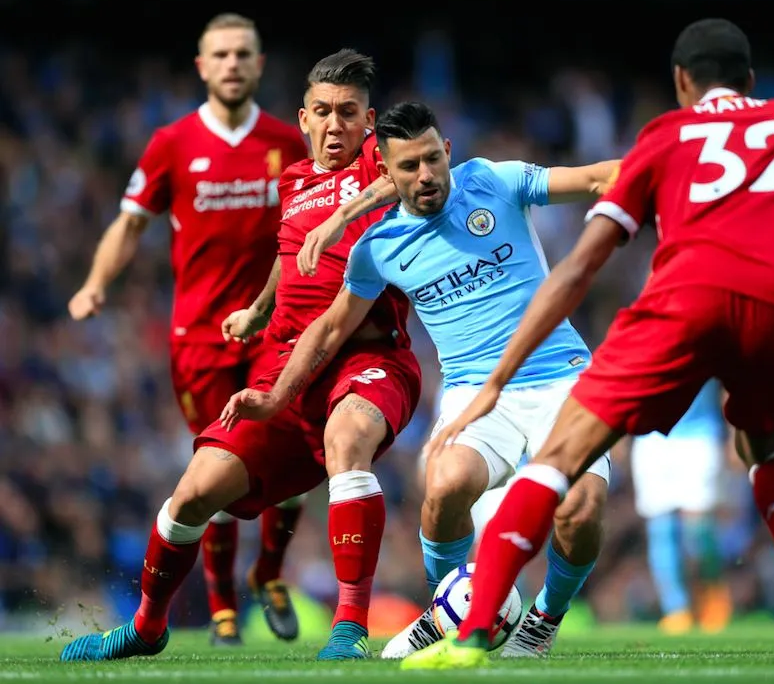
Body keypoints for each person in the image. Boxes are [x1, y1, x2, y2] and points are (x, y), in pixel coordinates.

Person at [405, 18, 774, 670]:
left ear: (680, 83)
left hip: (686, 298)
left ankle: (468, 639)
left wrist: (497, 378)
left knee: (558, 458)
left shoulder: (666, 135)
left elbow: (579, 267)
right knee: (765, 449)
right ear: (750, 81)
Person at [223, 100, 620, 659]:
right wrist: (275, 397)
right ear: (386, 172)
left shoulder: (494, 181)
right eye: (409, 166)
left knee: (579, 509)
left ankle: (544, 620)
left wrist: (666, 177)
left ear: (448, 152)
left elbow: (601, 176)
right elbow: (330, 328)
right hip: (474, 394)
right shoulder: (379, 247)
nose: (426, 175)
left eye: (433, 159)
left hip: (562, 378)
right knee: (445, 485)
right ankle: (447, 606)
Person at [60, 48, 420, 663]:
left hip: (367, 358)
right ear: (303, 119)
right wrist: (258, 310)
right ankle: (147, 628)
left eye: (349, 113)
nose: (336, 125)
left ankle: (349, 627)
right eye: (323, 113)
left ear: (369, 120)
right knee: (195, 492)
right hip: (285, 361)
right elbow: (288, 258)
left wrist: (340, 219)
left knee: (348, 438)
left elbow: (407, 175)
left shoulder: (377, 162)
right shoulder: (293, 182)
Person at [66, 13, 309, 646]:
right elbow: (129, 223)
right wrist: (96, 284)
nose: (232, 63)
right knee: (214, 464)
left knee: (294, 456)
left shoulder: (289, 142)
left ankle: (270, 573)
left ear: (259, 64)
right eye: (220, 54)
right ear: (202, 66)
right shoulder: (171, 143)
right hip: (198, 342)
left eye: (243, 54)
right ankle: (225, 608)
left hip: (275, 332)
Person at [631, 381, 731, 634]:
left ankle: (710, 590)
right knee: (661, 529)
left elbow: (730, 380)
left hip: (700, 435)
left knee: (698, 529)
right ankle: (677, 609)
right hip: (651, 437)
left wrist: (734, 433)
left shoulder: (712, 340)